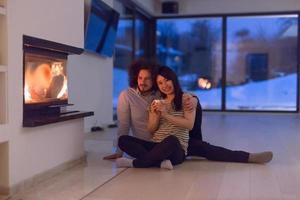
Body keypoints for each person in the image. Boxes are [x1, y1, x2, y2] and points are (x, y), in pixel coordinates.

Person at [103, 59, 273, 164]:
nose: (143, 82)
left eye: (148, 78)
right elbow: (124, 125)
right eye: (140, 77)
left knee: (208, 149)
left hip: (177, 140)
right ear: (134, 77)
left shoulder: (159, 93)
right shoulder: (127, 96)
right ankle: (157, 160)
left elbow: (174, 93)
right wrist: (118, 152)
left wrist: (192, 99)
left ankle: (248, 157)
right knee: (124, 140)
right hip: (151, 143)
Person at [115, 66, 196, 169]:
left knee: (172, 140)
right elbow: (151, 129)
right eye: (160, 83)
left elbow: (189, 125)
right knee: (123, 140)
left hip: (176, 149)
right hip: (156, 145)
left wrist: (166, 115)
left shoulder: (185, 98)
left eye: (167, 80)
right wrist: (155, 115)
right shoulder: (157, 101)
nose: (164, 85)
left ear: (173, 79)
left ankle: (135, 163)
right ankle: (159, 163)